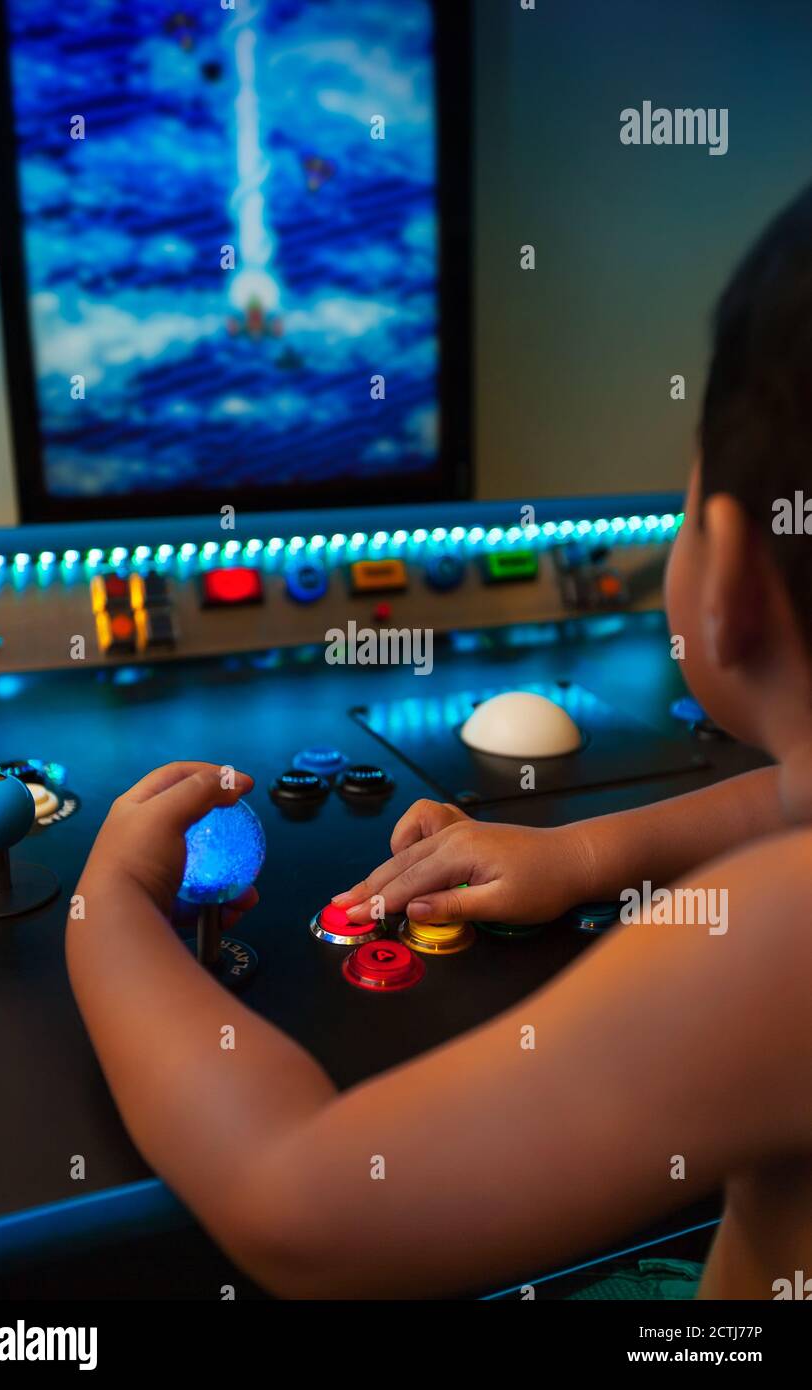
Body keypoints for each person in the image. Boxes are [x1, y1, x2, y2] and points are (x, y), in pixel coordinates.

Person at [67, 185, 812, 1300]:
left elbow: (300, 1206)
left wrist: (111, 910)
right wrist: (581, 856)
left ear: (729, 579)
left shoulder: (777, 947)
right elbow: (787, 805)